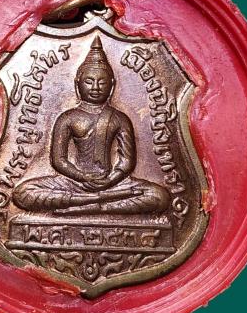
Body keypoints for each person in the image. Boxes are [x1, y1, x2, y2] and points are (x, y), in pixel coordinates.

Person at [13, 36, 170, 215]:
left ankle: (94, 206)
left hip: (112, 183)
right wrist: (81, 176)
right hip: (73, 182)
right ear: (77, 84)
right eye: (89, 81)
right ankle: (93, 201)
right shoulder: (68, 118)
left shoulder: (119, 118)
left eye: (102, 82)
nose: (95, 87)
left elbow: (127, 161)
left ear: (112, 86)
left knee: (159, 196)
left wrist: (111, 180)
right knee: (23, 193)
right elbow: (59, 160)